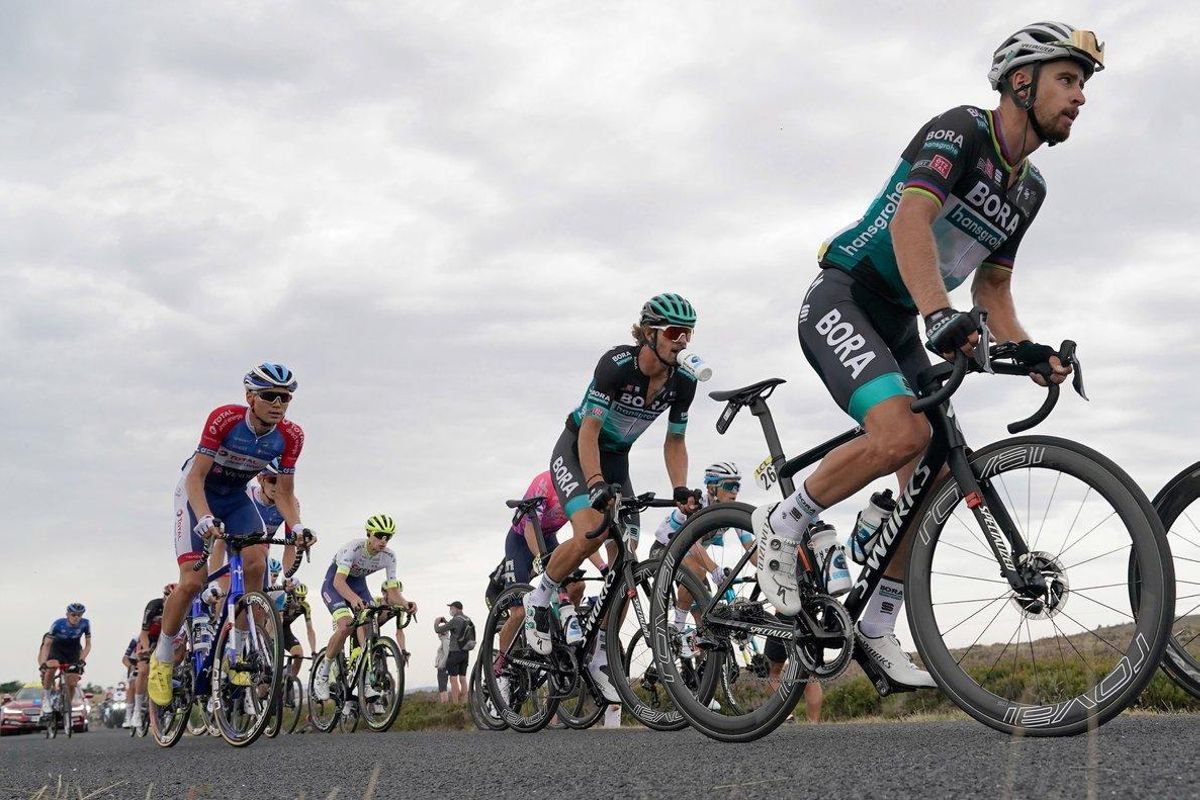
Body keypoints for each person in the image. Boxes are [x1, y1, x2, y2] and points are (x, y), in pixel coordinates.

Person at [752, 22, 1101, 687]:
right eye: (1067, 79)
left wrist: (1026, 350)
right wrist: (940, 315)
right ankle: (784, 518)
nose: (1079, 96)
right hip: (846, 296)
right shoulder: (961, 130)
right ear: (1020, 82)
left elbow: (993, 284)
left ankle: (877, 625)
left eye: (1082, 85)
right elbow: (912, 221)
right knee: (900, 432)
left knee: (935, 477)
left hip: (907, 318)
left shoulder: (1030, 190)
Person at [523, 293, 700, 703]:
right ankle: (541, 594)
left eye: (689, 333)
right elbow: (587, 432)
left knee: (627, 560)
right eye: (675, 332)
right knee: (591, 534)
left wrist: (680, 489)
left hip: (618, 458)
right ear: (650, 333)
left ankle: (603, 654)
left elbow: (676, 441)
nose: (683, 342)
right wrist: (597, 483)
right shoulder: (617, 365)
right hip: (578, 450)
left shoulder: (683, 382)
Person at [149, 363, 314, 706]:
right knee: (193, 582)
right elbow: (196, 477)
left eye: (286, 397)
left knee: (257, 564)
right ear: (250, 397)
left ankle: (238, 649)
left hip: (236, 498)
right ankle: (162, 657)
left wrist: (296, 527)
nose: (279, 403)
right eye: (270, 395)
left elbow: (284, 493)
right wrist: (205, 517)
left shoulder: (291, 436)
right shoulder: (225, 419)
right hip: (199, 493)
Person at [312, 515, 416, 700]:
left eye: (388, 537)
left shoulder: (389, 556)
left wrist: (405, 603)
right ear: (369, 533)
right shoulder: (354, 548)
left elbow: (392, 591)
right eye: (379, 535)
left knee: (369, 625)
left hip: (358, 585)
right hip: (335, 584)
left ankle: (366, 681)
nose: (383, 541)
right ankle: (323, 674)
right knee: (345, 626)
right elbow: (338, 582)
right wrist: (353, 599)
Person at [38, 603, 91, 717]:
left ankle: (67, 705)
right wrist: (43, 662)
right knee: (51, 667)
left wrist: (82, 659)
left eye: (79, 615)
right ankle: (46, 699)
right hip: (57, 648)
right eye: (73, 615)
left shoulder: (85, 624)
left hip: (73, 650)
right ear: (67, 614)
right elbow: (47, 645)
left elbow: (88, 645)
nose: (76, 617)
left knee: (72, 683)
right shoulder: (57, 624)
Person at [434, 602, 472, 703]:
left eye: (451, 608)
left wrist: (436, 621)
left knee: (453, 679)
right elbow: (455, 629)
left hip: (455, 653)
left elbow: (438, 629)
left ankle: (455, 703)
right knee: (463, 678)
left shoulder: (455, 620)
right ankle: (465, 701)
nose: (450, 610)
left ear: (455, 608)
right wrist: (447, 622)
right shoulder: (467, 619)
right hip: (465, 652)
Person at [434, 628, 451, 703]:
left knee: (443, 687)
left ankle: (444, 703)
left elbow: (447, 654)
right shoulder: (444, 641)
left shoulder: (445, 641)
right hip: (442, 668)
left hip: (443, 668)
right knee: (442, 687)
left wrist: (441, 664)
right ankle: (444, 702)